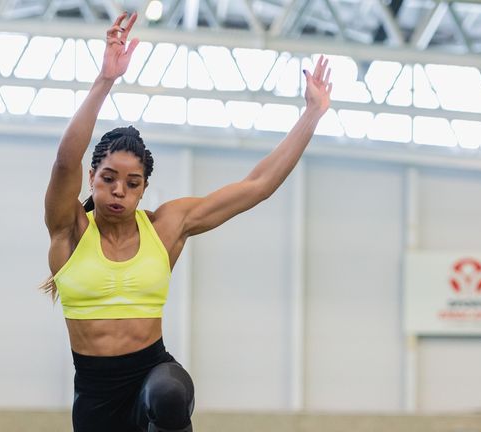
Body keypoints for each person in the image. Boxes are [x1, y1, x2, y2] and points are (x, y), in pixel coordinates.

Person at [42, 11, 332, 432]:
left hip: (152, 377)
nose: (119, 190)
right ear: (91, 178)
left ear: (143, 190)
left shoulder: (165, 227)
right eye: (108, 179)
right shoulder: (68, 230)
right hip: (95, 397)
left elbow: (257, 186)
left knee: (169, 394)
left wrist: (312, 114)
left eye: (132, 182)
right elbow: (66, 157)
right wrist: (106, 79)